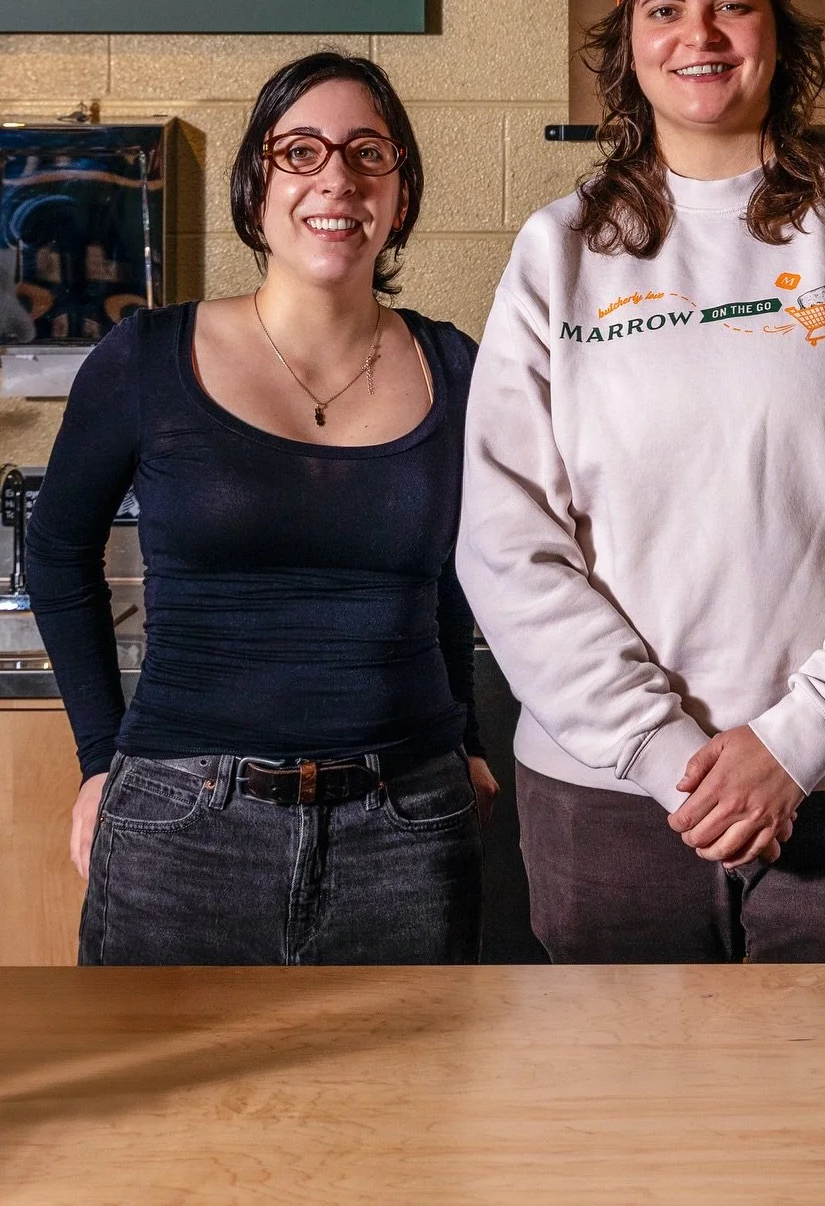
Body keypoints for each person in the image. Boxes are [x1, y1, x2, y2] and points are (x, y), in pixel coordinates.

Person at [458, 0, 825, 964]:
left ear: (781, 36)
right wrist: (668, 754)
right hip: (612, 799)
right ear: (627, 46)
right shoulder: (559, 250)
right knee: (638, 1130)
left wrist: (797, 743)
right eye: (664, 8)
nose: (697, 36)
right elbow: (506, 538)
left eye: (731, 5)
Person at [28, 52, 496, 965]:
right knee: (158, 1107)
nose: (338, 177)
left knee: (403, 1108)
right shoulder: (146, 358)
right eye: (302, 151)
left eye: (370, 152)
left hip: (406, 826)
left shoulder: (458, 368)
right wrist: (98, 759)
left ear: (400, 195)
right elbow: (56, 555)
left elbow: (450, 577)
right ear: (255, 186)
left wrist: (469, 738)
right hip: (182, 826)